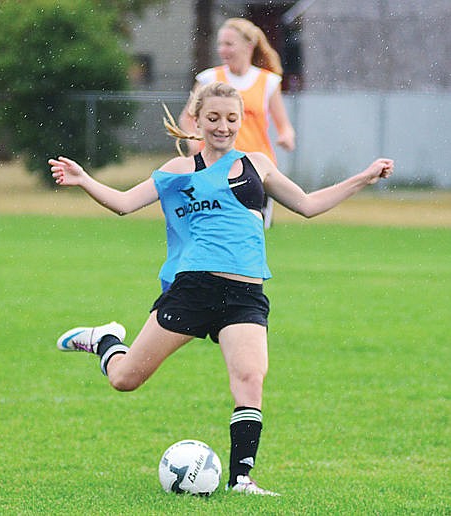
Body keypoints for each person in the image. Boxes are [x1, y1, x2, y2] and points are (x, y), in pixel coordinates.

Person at [48, 81, 393, 496]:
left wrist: (363, 178)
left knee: (250, 378)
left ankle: (240, 480)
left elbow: (307, 204)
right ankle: (105, 340)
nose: (222, 127)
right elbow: (124, 204)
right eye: (213, 118)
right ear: (197, 120)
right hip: (194, 290)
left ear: (241, 121)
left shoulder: (257, 164)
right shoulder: (180, 171)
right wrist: (84, 180)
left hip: (245, 296)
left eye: (231, 118)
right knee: (124, 379)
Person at [179, 17, 296, 228]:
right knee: (211, 228)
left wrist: (286, 137)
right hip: (215, 167)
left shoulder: (268, 82)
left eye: (229, 44)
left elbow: (284, 125)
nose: (222, 50)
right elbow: (187, 117)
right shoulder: (209, 79)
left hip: (254, 169)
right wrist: (193, 142)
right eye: (220, 44)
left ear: (248, 46)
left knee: (251, 230)